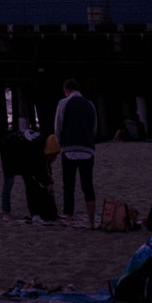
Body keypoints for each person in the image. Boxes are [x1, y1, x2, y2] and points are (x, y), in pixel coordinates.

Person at [55, 78, 97, 228]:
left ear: (66, 90)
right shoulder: (90, 104)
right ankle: (91, 219)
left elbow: (58, 126)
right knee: (87, 185)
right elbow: (93, 127)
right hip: (87, 148)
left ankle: (68, 218)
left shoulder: (63, 103)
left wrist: (61, 145)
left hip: (69, 149)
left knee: (69, 184)